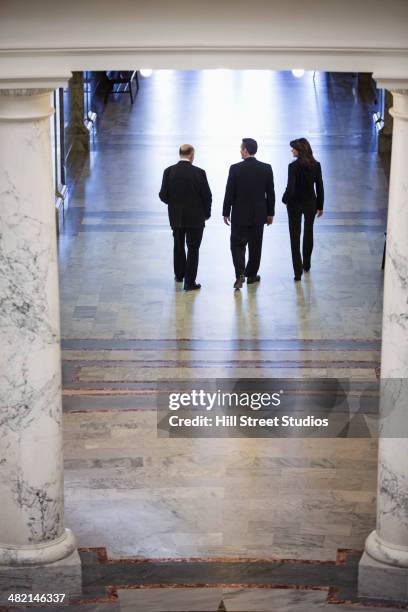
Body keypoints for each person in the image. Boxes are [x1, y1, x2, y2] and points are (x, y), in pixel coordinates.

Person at [223, 138, 275, 290]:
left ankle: (240, 273)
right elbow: (270, 193)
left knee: (237, 245)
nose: (240, 151)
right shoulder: (266, 168)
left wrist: (226, 212)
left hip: (239, 215)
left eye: (241, 148)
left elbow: (229, 192)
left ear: (246, 150)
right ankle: (251, 275)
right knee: (255, 246)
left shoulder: (235, 168)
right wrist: (270, 213)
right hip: (259, 215)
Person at [159, 144, 212, 291]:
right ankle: (190, 282)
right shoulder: (199, 173)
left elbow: (163, 195)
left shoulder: (168, 172)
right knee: (193, 248)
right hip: (196, 218)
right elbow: (207, 196)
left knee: (178, 245)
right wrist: (206, 214)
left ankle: (179, 275)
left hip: (176, 217)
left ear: (180, 154)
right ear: (192, 155)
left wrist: (174, 203)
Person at [282, 138, 324, 281]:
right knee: (308, 232)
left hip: (295, 204)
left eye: (293, 148)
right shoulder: (316, 165)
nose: (292, 150)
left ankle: (297, 272)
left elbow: (291, 187)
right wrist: (320, 205)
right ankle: (307, 264)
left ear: (299, 151)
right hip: (310, 203)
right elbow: (319, 187)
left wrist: (284, 199)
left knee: (295, 237)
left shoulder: (292, 167)